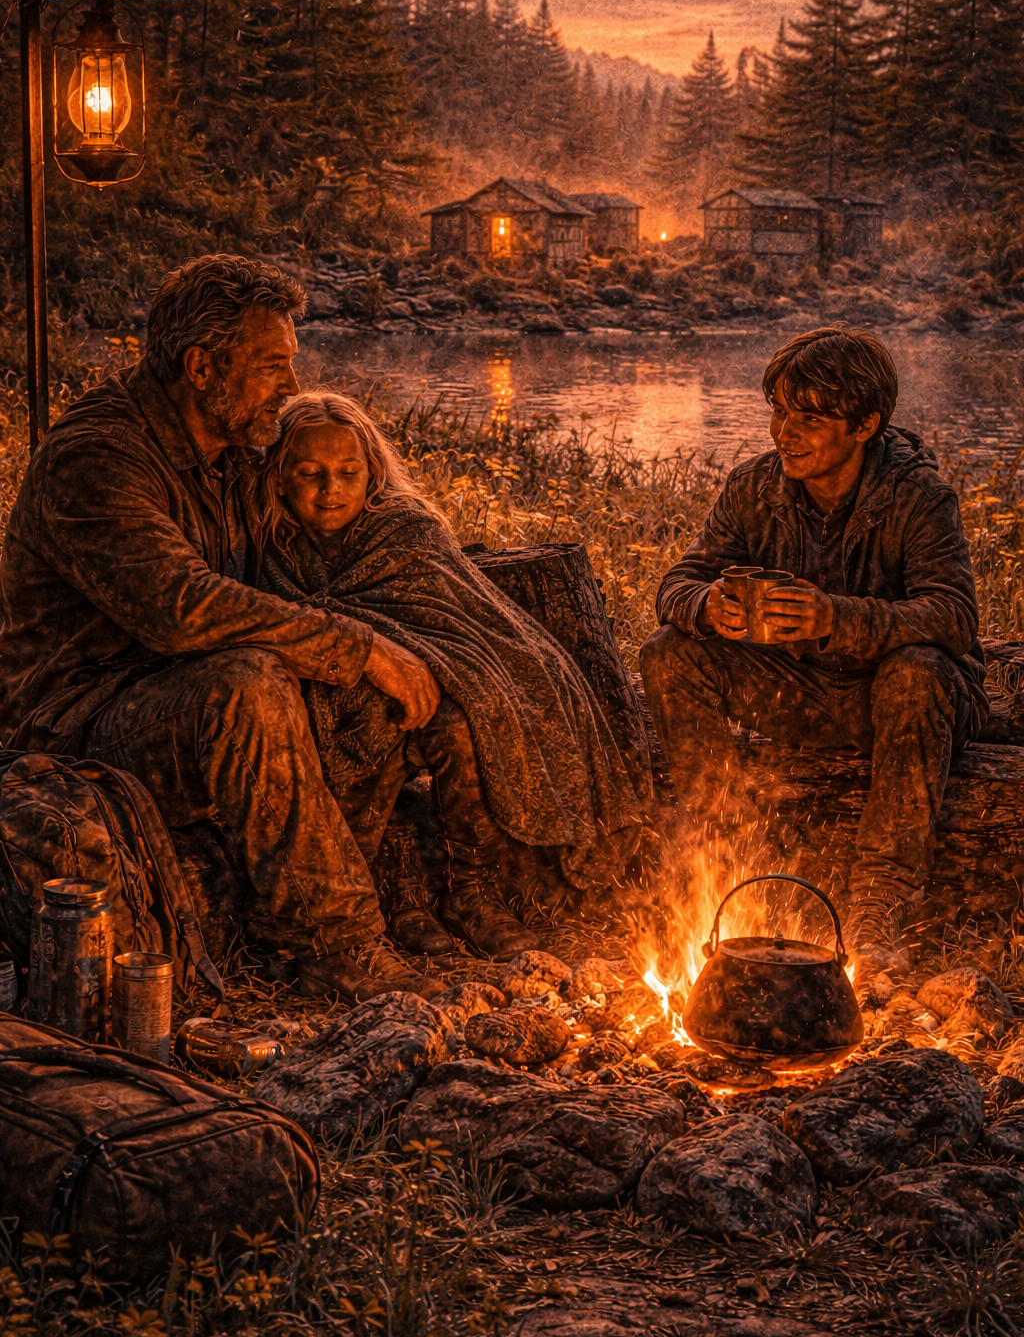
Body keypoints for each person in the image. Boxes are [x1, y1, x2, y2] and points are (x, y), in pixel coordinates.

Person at [0, 253, 460, 1004]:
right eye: (272, 365)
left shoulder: (231, 450)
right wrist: (358, 648)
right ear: (203, 365)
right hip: (74, 723)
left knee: (335, 666)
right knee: (250, 688)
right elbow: (183, 607)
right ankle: (337, 946)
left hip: (161, 688)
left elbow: (319, 530)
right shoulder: (96, 458)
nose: (290, 386)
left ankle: (367, 901)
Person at [640, 325, 988, 975]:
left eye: (810, 417)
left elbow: (956, 617)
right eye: (779, 412)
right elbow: (677, 585)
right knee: (669, 652)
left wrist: (837, 618)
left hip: (896, 702)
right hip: (798, 694)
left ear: (865, 426)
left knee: (918, 673)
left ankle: (877, 906)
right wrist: (707, 605)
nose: (784, 433)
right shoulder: (754, 487)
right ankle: (729, 852)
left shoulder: (919, 496)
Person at [255, 391, 645, 959]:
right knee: (370, 722)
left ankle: (471, 891)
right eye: (310, 473)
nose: (330, 489)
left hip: (433, 681)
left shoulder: (405, 530)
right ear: (278, 476)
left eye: (347, 472)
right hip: (323, 686)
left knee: (463, 720)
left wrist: (429, 664)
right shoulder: (264, 543)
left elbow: (465, 623)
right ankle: (383, 899)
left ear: (372, 471)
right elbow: (276, 618)